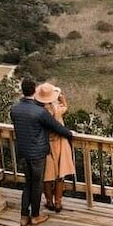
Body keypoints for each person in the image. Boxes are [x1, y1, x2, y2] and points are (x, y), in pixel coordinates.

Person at [10, 78, 74, 226]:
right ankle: (36, 216)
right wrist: (70, 134)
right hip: (38, 153)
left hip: (24, 151)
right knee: (37, 184)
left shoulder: (15, 109)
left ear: (23, 91)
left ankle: (23, 216)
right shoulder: (39, 112)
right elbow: (58, 128)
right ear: (34, 91)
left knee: (28, 184)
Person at [37, 83, 75, 212]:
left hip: (45, 144)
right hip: (60, 143)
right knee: (60, 174)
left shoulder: (39, 111)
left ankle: (49, 201)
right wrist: (61, 97)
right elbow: (65, 106)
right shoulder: (57, 109)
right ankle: (58, 202)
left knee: (47, 176)